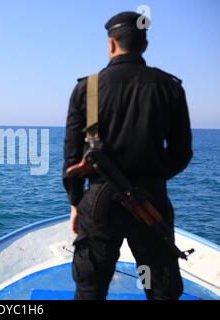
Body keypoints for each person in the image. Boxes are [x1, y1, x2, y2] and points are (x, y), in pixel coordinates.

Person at [62, 11, 192, 300]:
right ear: (144, 44)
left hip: (98, 207)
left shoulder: (88, 89)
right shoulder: (168, 87)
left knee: (91, 286)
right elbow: (182, 153)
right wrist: (152, 176)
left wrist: (75, 203)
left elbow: (72, 160)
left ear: (111, 44)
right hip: (150, 204)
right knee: (157, 285)